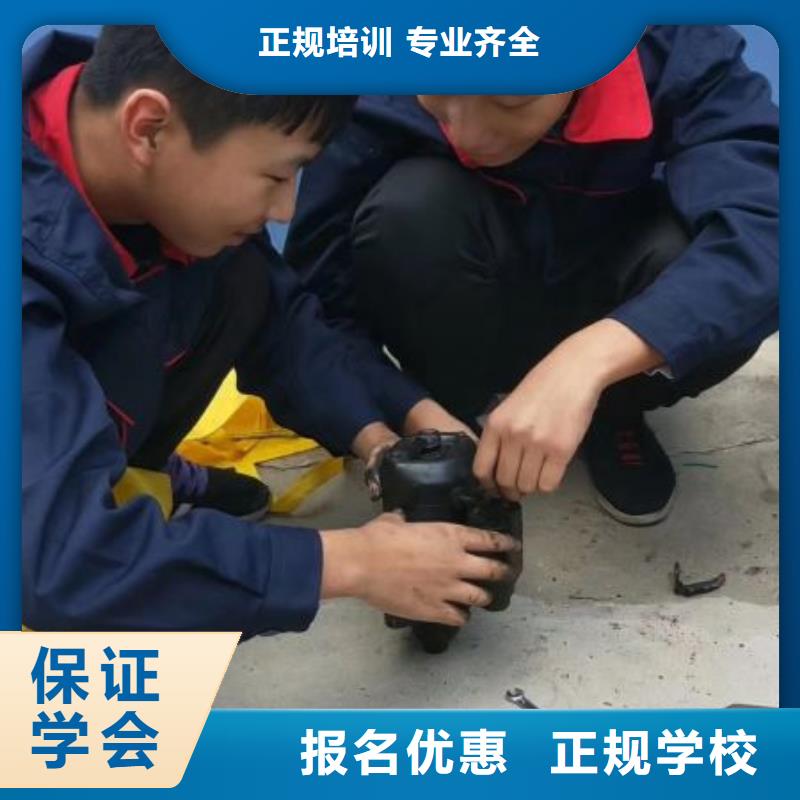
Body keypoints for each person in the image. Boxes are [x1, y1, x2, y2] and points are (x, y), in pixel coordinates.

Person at [22, 25, 518, 637]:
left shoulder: (120, 139)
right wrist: (351, 563)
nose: (285, 210)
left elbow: (280, 322)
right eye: (278, 176)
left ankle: (128, 473)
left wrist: (391, 430)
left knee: (238, 271)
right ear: (147, 128)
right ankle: (96, 496)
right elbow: (62, 568)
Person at [286, 25, 779, 526]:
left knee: (716, 270)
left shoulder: (677, 47)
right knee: (407, 211)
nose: (470, 134)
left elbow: (770, 228)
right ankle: (453, 411)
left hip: (612, 299)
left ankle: (613, 414)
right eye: (437, 90)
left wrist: (591, 362)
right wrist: (405, 410)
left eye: (511, 102)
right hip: (466, 298)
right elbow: (314, 304)